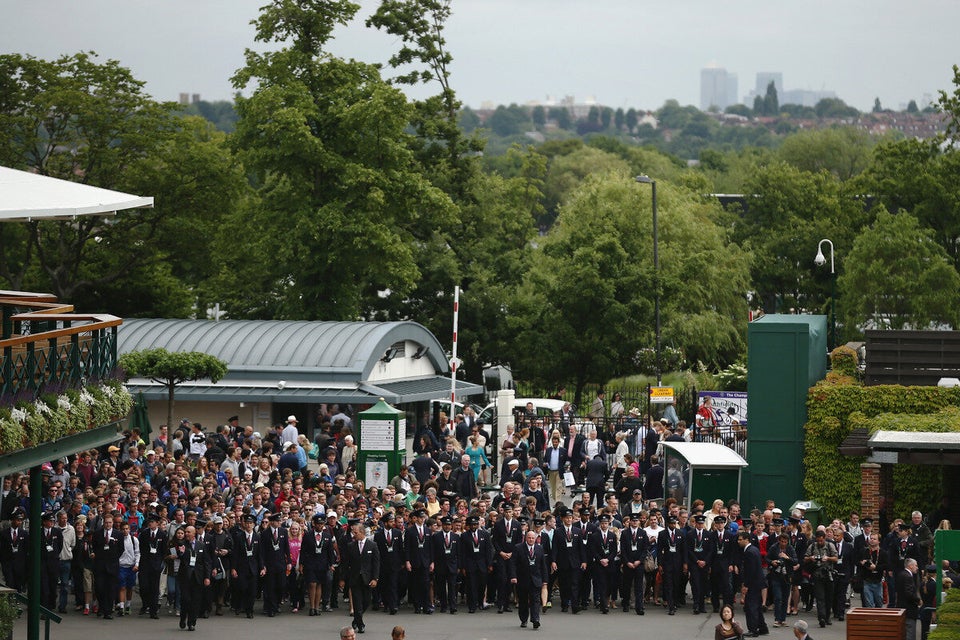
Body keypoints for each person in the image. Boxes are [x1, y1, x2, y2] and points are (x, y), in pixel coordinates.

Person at [340, 519, 379, 634]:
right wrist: (342, 578)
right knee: (357, 602)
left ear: (362, 532)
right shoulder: (350, 546)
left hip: (367, 579)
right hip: (355, 578)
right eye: (353, 532)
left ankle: (356, 620)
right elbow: (345, 563)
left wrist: (375, 578)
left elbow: (376, 563)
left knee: (366, 601)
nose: (354, 535)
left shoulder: (372, 545)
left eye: (356, 533)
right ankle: (361, 624)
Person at [176, 524, 211, 631]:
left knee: (195, 601)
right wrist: (181, 553)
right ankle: (183, 618)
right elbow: (179, 556)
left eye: (188, 532)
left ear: (194, 533)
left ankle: (192, 622)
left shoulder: (201, 545)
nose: (186, 534)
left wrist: (207, 577)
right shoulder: (182, 544)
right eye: (185, 532)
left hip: (198, 577)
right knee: (185, 599)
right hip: (185, 577)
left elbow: (206, 562)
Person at [510, 529, 547, 629]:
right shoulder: (518, 548)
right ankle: (524, 620)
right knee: (523, 601)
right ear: (526, 538)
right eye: (529, 538)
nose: (531, 540)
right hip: (522, 579)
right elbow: (513, 563)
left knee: (535, 600)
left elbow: (543, 565)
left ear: (536, 539)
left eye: (533, 538)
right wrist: (513, 576)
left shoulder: (540, 549)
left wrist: (545, 580)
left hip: (536, 579)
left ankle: (535, 619)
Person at [805, 529, 838, 628]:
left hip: (828, 575)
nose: (819, 542)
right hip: (817, 575)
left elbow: (836, 558)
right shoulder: (812, 546)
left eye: (821, 541)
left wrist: (827, 558)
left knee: (829, 597)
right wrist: (811, 558)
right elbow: (805, 558)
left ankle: (827, 616)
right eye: (818, 541)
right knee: (820, 598)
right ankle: (822, 618)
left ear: (824, 539)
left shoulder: (829, 546)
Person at [739, 529, 770, 638]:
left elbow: (750, 570)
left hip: (753, 584)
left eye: (740, 539)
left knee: (750, 606)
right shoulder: (754, 550)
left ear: (746, 540)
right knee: (756, 606)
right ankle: (762, 627)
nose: (738, 541)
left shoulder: (749, 552)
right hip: (757, 583)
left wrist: (746, 585)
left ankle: (753, 629)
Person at [139, 513, 166, 619]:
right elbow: (141, 548)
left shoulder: (162, 534)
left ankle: (153, 611)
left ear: (157, 523)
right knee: (144, 586)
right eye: (149, 522)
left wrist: (160, 562)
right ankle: (145, 604)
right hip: (145, 563)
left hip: (156, 564)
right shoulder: (145, 533)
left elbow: (163, 550)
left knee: (154, 588)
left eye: (152, 522)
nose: (150, 524)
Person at [432, 515, 460, 614]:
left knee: (452, 587)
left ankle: (453, 606)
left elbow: (458, 553)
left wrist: (458, 566)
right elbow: (433, 552)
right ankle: (443, 606)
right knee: (441, 587)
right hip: (440, 565)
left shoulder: (455, 536)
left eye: (449, 525)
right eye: (445, 525)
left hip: (452, 565)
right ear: (442, 525)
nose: (447, 526)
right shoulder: (436, 536)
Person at [897, 558, 922, 640]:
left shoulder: (901, 574)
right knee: (910, 633)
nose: (917, 567)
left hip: (901, 607)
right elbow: (909, 593)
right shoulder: (908, 576)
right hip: (909, 609)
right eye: (916, 565)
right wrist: (918, 600)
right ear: (910, 566)